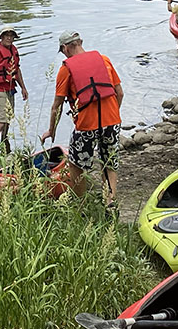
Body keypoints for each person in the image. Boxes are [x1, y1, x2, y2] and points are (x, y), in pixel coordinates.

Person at [40, 30, 124, 207]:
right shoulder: (104, 60)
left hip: (86, 125)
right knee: (108, 160)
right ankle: (110, 201)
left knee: (76, 164)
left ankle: (81, 204)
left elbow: (57, 105)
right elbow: (119, 93)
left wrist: (51, 130)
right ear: (80, 42)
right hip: (112, 120)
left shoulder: (66, 69)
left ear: (65, 48)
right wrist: (114, 116)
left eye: (62, 51)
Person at [0, 28, 28, 156]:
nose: (9, 38)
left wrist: (23, 88)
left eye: (11, 36)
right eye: (6, 36)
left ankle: (5, 144)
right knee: (0, 121)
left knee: (7, 118)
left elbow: (17, 70)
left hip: (10, 88)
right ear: (1, 37)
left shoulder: (13, 50)